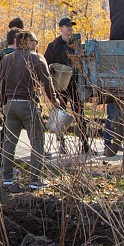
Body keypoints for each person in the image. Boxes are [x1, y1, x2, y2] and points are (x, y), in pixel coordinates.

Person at [0, 31, 60, 189]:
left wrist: (3, 102)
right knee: (37, 142)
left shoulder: (7, 59)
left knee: (9, 142)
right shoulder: (37, 58)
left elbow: (1, 83)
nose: (36, 45)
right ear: (27, 41)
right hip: (29, 104)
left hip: (11, 104)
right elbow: (47, 82)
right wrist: (54, 100)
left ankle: (7, 178)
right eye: (35, 41)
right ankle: (35, 181)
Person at [44, 17, 92, 155]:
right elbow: (46, 64)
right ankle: (62, 144)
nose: (70, 28)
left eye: (71, 26)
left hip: (75, 84)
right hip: (60, 85)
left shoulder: (76, 45)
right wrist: (52, 73)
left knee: (80, 114)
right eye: (67, 26)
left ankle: (85, 145)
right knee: (60, 114)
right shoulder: (53, 45)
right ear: (61, 28)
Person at [0, 27, 23, 154]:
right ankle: (0, 144)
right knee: (11, 125)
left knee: (11, 123)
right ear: (15, 39)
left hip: (5, 94)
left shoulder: (2, 54)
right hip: (9, 95)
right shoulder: (10, 56)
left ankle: (1, 144)